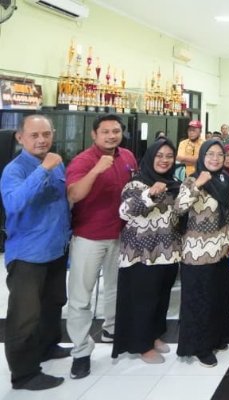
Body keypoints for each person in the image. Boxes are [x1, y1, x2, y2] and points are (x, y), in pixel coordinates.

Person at [66, 114, 137, 379]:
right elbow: (74, 194)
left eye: (116, 131)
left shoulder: (127, 156)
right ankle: (81, 351)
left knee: (116, 288)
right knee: (81, 296)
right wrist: (96, 170)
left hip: (121, 234)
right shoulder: (83, 161)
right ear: (94, 134)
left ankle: (112, 328)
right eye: (105, 131)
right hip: (90, 237)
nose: (111, 136)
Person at [1, 115, 70, 390]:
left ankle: (47, 347)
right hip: (28, 254)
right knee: (25, 315)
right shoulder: (15, 170)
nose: (42, 140)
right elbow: (14, 203)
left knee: (53, 303)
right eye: (34, 135)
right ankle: (24, 374)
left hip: (55, 248)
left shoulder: (56, 161)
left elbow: (62, 201)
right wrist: (42, 170)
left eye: (46, 134)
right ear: (20, 137)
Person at [113, 139, 181, 364]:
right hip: (142, 254)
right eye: (159, 155)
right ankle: (141, 344)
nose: (164, 160)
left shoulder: (173, 183)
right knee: (143, 299)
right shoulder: (137, 184)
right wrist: (149, 194)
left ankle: (153, 335)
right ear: (150, 157)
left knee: (161, 297)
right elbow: (124, 211)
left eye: (169, 156)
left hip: (168, 251)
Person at [174, 139, 229, 367]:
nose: (215, 159)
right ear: (202, 156)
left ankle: (216, 337)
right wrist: (198, 185)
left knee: (217, 297)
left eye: (219, 154)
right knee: (198, 300)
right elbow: (179, 208)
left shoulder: (226, 180)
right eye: (210, 154)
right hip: (197, 252)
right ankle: (199, 347)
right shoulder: (192, 179)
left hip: (220, 250)